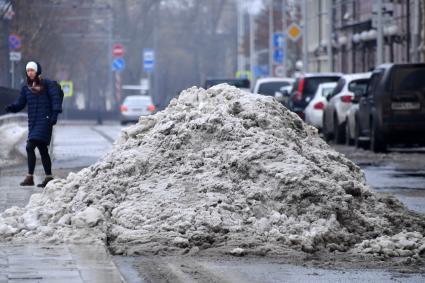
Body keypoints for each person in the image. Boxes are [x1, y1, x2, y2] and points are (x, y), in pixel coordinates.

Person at [5, 61, 62, 188]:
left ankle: (30, 177)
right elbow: (21, 102)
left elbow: (55, 99)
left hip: (45, 120)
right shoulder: (26, 87)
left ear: (37, 71)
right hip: (33, 122)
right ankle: (48, 176)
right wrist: (11, 108)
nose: (30, 72)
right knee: (42, 149)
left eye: (32, 70)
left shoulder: (47, 84)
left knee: (30, 146)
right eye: (28, 70)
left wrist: (54, 115)